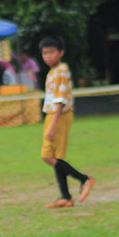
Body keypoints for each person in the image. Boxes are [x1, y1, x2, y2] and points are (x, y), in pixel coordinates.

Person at [39, 35, 95, 209]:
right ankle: (66, 197)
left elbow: (61, 99)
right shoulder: (53, 72)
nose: (47, 56)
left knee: (47, 156)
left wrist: (53, 125)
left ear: (61, 53)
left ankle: (84, 179)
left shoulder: (62, 70)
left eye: (51, 52)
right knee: (56, 157)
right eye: (44, 53)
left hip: (59, 115)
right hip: (53, 115)